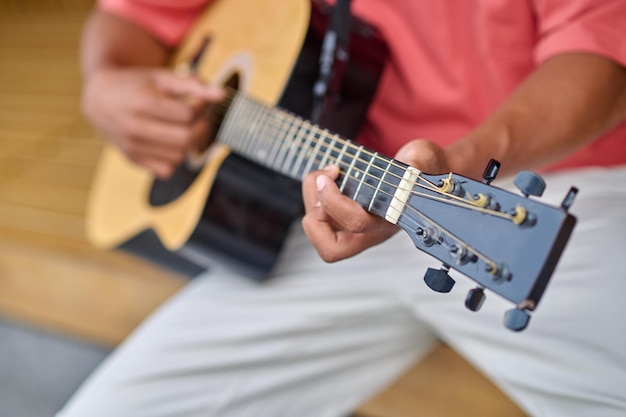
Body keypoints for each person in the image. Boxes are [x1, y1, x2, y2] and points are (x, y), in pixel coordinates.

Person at [59, 0, 626, 416]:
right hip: (326, 213)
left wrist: (462, 160)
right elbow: (131, 17)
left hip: (533, 197)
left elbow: (602, 53)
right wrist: (105, 82)